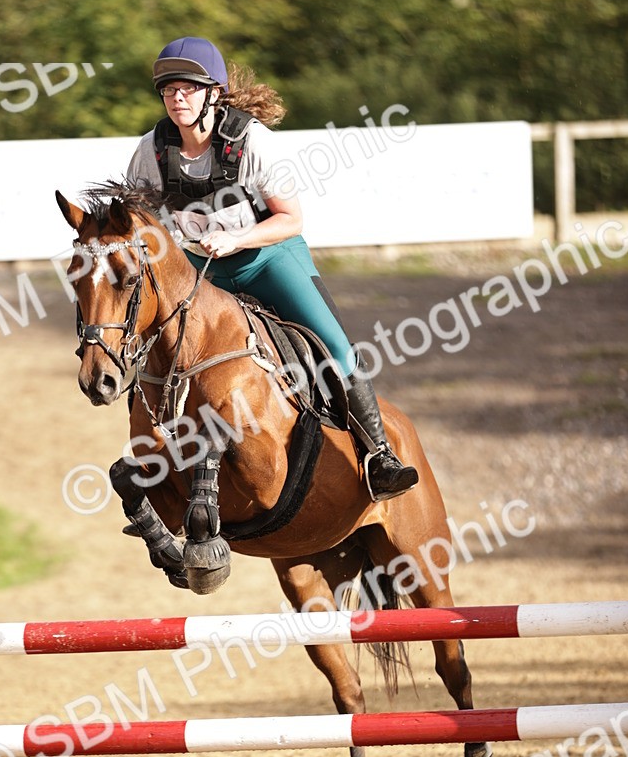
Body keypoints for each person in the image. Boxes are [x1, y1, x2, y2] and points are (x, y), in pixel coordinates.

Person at [126, 37, 418, 501]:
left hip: (268, 258)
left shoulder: (251, 141)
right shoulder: (151, 151)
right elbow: (137, 224)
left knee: (337, 349)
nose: (177, 98)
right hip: (205, 271)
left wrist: (235, 239)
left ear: (212, 94)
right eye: (168, 91)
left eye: (188, 89)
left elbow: (291, 219)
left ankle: (379, 455)